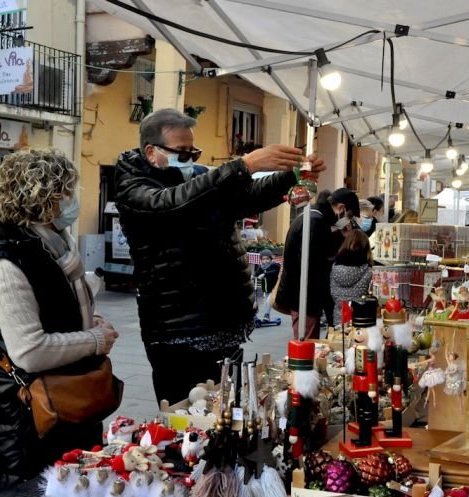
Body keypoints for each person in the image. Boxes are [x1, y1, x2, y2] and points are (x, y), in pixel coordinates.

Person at [113, 108, 325, 403]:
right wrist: (244, 164)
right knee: (187, 416)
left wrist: (290, 178)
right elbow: (173, 204)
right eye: (182, 153)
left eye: (193, 152)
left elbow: (246, 197)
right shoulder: (133, 187)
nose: (190, 160)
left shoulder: (199, 179)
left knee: (228, 412)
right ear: (151, 152)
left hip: (223, 322)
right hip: (179, 331)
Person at [0, 150, 119, 497]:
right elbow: (29, 351)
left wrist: (87, 321)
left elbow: (54, 309)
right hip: (23, 425)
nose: (73, 200)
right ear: (46, 197)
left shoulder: (51, 246)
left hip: (64, 409)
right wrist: (94, 339)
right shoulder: (4, 262)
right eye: (68, 191)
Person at [275, 187, 359, 340]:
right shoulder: (316, 222)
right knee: (306, 344)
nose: (348, 221)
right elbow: (316, 262)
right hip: (305, 296)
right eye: (349, 215)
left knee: (308, 342)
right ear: (341, 208)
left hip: (305, 295)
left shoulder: (315, 217)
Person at [330, 229, 373, 324]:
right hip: (361, 319)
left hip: (339, 319)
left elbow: (332, 294)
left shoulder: (334, 267)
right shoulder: (368, 270)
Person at [254, 249, 280, 321]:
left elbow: (275, 272)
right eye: (263, 259)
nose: (265, 261)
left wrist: (264, 274)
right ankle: (261, 315)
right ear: (261, 260)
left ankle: (267, 315)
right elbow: (257, 273)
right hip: (266, 289)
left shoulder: (274, 265)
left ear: (271, 259)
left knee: (269, 301)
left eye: (267, 259)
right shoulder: (261, 267)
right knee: (265, 302)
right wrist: (253, 275)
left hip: (273, 288)